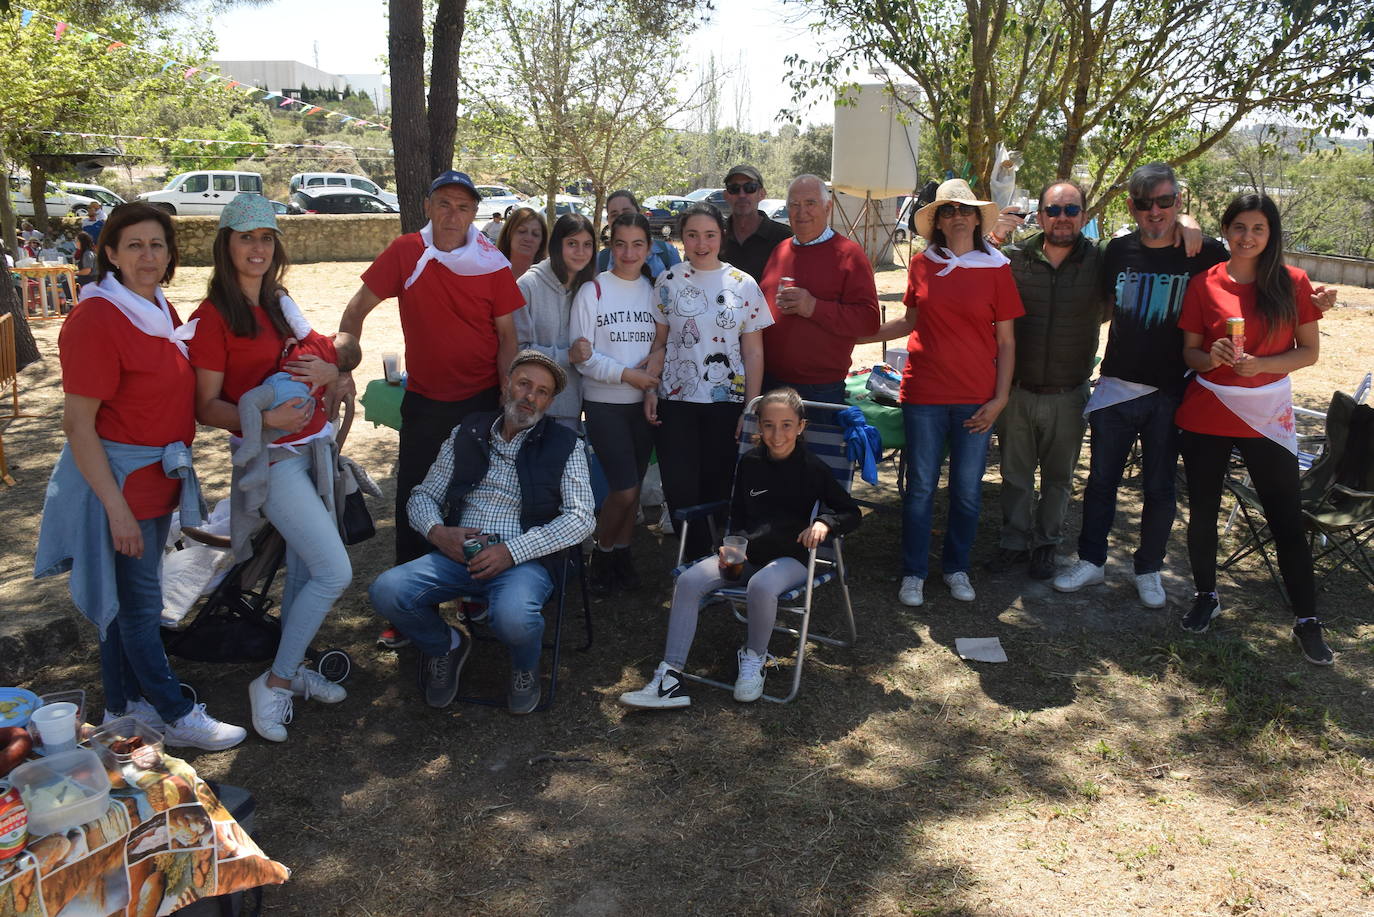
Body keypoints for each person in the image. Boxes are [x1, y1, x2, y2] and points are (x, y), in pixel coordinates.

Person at [34, 202, 246, 751]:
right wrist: (116, 507)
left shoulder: (156, 308)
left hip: (155, 478)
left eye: (157, 245)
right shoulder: (98, 317)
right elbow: (78, 425)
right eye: (133, 245)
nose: (147, 256)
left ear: (170, 253)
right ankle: (175, 712)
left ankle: (124, 705)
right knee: (141, 604)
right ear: (109, 253)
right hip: (119, 483)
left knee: (125, 598)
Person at [188, 193, 351, 743]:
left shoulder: (280, 303)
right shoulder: (211, 317)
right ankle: (275, 683)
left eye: (266, 238)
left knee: (308, 569)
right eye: (246, 237)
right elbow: (205, 404)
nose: (257, 248)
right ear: (226, 243)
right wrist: (268, 420)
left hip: (312, 449)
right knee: (335, 571)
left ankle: (293, 662)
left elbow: (319, 353)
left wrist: (332, 370)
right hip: (271, 459)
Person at [368, 351, 596, 713]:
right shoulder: (468, 431)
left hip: (524, 562)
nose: (530, 396)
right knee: (386, 591)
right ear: (507, 385)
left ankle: (524, 667)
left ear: (550, 402)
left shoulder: (565, 444)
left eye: (542, 391)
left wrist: (512, 552)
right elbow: (423, 495)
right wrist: (438, 533)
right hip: (458, 554)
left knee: (514, 618)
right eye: (524, 384)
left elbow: (582, 518)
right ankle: (446, 645)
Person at [1050, 163, 1232, 607]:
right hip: (1116, 387)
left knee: (1159, 487)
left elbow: (1247, 279)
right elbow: (1102, 301)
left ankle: (1148, 568)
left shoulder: (1206, 253)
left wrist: (1192, 226)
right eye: (1146, 203)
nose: (1156, 211)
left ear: (1179, 202)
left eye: (1166, 202)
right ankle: (1091, 562)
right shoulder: (1117, 251)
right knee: (1100, 483)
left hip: (1172, 391)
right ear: (1132, 206)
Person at [619, 388, 861, 707]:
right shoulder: (749, 462)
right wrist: (727, 546)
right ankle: (670, 676)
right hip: (750, 554)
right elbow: (742, 516)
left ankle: (754, 658)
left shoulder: (813, 468)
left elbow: (850, 512)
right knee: (689, 580)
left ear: (801, 427)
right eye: (769, 425)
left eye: (787, 425)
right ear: (758, 426)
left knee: (760, 586)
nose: (777, 433)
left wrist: (824, 523)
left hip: (791, 559)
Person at [1175, 193, 1331, 664]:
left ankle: (1307, 619)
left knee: (1285, 516)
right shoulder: (1204, 283)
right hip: (1207, 409)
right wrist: (1214, 356)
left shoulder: (1293, 282)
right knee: (1202, 513)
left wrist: (1262, 364)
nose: (1247, 237)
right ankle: (1206, 596)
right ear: (1227, 230)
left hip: (1267, 413)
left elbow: (1308, 352)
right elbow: (1190, 353)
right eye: (1239, 227)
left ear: (1271, 234)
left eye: (1258, 229)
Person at [339, 169, 523, 567]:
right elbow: (356, 309)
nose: (452, 215)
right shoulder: (407, 251)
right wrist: (344, 367)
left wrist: (507, 389)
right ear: (427, 207)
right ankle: (409, 599)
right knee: (415, 497)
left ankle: (474, 597)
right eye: (444, 204)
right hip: (423, 399)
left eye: (462, 207)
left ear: (474, 213)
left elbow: (508, 336)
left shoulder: (493, 263)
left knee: (476, 498)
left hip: (480, 400)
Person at [859, 179, 1023, 606]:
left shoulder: (999, 268)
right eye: (947, 211)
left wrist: (1000, 398)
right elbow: (909, 322)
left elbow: (1006, 342)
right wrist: (858, 334)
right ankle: (913, 572)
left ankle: (956, 568)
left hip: (975, 397)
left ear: (976, 217)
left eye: (964, 210)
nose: (957, 217)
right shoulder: (921, 264)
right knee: (921, 489)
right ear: (938, 221)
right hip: (924, 394)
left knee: (967, 490)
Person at [645, 203, 772, 563]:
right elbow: (659, 344)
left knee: (717, 486)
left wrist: (750, 409)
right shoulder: (667, 281)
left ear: (722, 236)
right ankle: (693, 560)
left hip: (726, 402)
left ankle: (717, 560)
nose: (701, 243)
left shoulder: (743, 284)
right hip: (676, 400)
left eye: (710, 235)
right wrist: (650, 389)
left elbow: (754, 354)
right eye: (693, 235)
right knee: (681, 487)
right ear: (681, 238)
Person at [569, 212, 661, 594]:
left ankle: (622, 555)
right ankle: (601, 554)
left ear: (649, 248)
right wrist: (628, 376)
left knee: (635, 488)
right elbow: (583, 357)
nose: (628, 252)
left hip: (645, 403)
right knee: (621, 489)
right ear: (610, 246)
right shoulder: (594, 290)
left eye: (637, 244)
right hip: (605, 402)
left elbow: (661, 346)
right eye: (620, 244)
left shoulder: (655, 289)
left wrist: (650, 387)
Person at [758, 174, 880, 404]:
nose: (801, 211)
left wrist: (813, 307)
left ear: (828, 207)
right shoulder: (780, 251)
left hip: (819, 388)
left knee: (816, 442)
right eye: (794, 205)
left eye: (810, 203)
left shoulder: (849, 255)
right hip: (771, 382)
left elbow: (869, 321)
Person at [513, 213, 598, 431]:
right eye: (572, 244)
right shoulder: (528, 286)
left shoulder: (590, 289)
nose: (580, 252)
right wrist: (567, 356)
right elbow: (517, 351)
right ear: (556, 245)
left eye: (587, 245)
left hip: (571, 411)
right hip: (529, 410)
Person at [719, 164, 792, 283]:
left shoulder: (783, 238)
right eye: (734, 188)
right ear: (726, 195)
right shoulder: (715, 236)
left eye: (750, 187)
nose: (742, 194)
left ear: (762, 194)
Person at [595, 190, 681, 279]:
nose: (621, 218)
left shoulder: (668, 253)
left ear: (639, 213)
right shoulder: (601, 261)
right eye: (614, 215)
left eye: (627, 212)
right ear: (608, 220)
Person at [496, 206, 549, 279]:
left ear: (542, 241)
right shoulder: (490, 273)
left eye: (535, 234)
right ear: (508, 234)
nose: (528, 238)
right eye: (522, 231)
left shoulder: (549, 279)